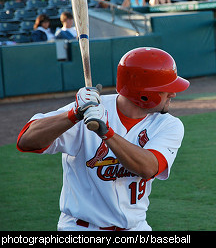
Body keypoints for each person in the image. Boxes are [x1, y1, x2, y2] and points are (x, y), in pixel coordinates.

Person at [16, 47, 190, 231]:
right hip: (81, 229)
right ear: (145, 94)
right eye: (166, 89)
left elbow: (148, 168)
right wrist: (74, 114)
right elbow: (26, 141)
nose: (173, 94)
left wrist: (106, 133)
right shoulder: (88, 109)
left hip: (135, 228)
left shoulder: (169, 125)